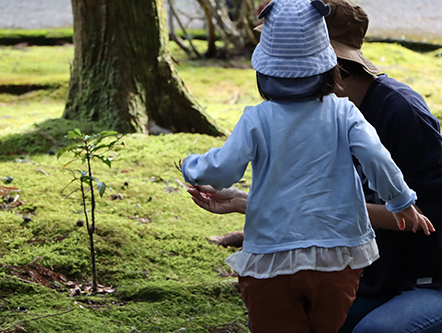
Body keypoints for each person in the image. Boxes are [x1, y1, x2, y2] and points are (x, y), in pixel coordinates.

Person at [180, 0, 434, 332]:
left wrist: (192, 166)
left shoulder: (258, 119)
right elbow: (379, 162)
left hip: (413, 275)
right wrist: (401, 201)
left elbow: (221, 169)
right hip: (340, 264)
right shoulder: (345, 114)